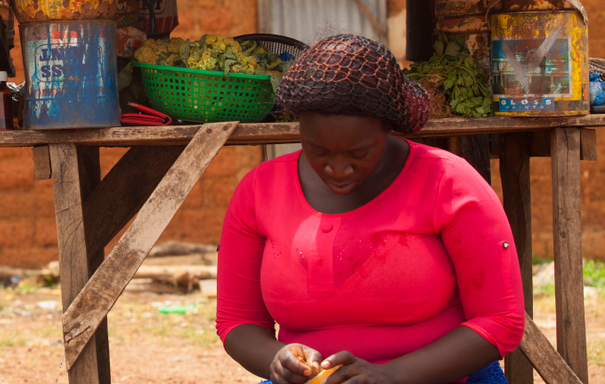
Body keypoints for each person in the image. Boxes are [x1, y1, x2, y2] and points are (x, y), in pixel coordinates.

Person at [216, 34, 524, 384]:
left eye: (358, 153)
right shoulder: (260, 191)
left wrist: (390, 376)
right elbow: (236, 321)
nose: (338, 169)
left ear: (386, 128)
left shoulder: (447, 182)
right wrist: (277, 359)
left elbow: (501, 321)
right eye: (318, 151)